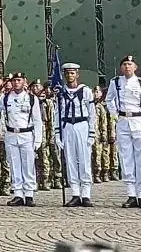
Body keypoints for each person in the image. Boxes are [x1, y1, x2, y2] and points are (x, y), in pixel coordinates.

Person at [106, 54, 141, 208]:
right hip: (123, 122)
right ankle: (131, 194)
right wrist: (115, 113)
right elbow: (109, 99)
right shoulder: (115, 82)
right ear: (121, 67)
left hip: (139, 121)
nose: (127, 67)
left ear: (135, 67)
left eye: (130, 64)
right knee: (126, 159)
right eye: (125, 64)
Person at [0, 72, 42, 206]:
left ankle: (29, 194)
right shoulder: (6, 97)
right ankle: (18, 193)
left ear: (25, 82)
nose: (16, 83)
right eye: (14, 80)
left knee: (28, 165)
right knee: (14, 165)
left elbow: (37, 120)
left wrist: (38, 139)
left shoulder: (31, 98)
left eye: (19, 80)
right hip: (11, 134)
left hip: (27, 134)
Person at [56, 63, 96, 207]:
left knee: (84, 160)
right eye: (67, 73)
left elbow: (92, 113)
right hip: (67, 126)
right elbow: (57, 113)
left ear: (77, 75)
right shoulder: (61, 92)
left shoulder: (85, 91)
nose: (69, 76)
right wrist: (57, 133)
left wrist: (92, 133)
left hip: (82, 125)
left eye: (72, 73)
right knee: (71, 160)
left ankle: (86, 194)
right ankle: (75, 193)